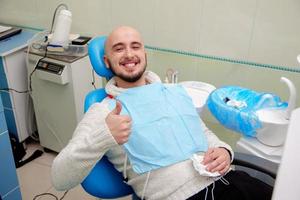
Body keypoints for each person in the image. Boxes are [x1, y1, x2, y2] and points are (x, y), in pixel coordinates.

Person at [51, 26, 272, 200]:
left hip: (227, 180)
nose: (129, 54)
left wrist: (224, 151)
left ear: (144, 54)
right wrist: (103, 136)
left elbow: (203, 132)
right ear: (107, 62)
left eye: (135, 46)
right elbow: (59, 177)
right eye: (119, 48)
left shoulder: (174, 92)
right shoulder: (104, 111)